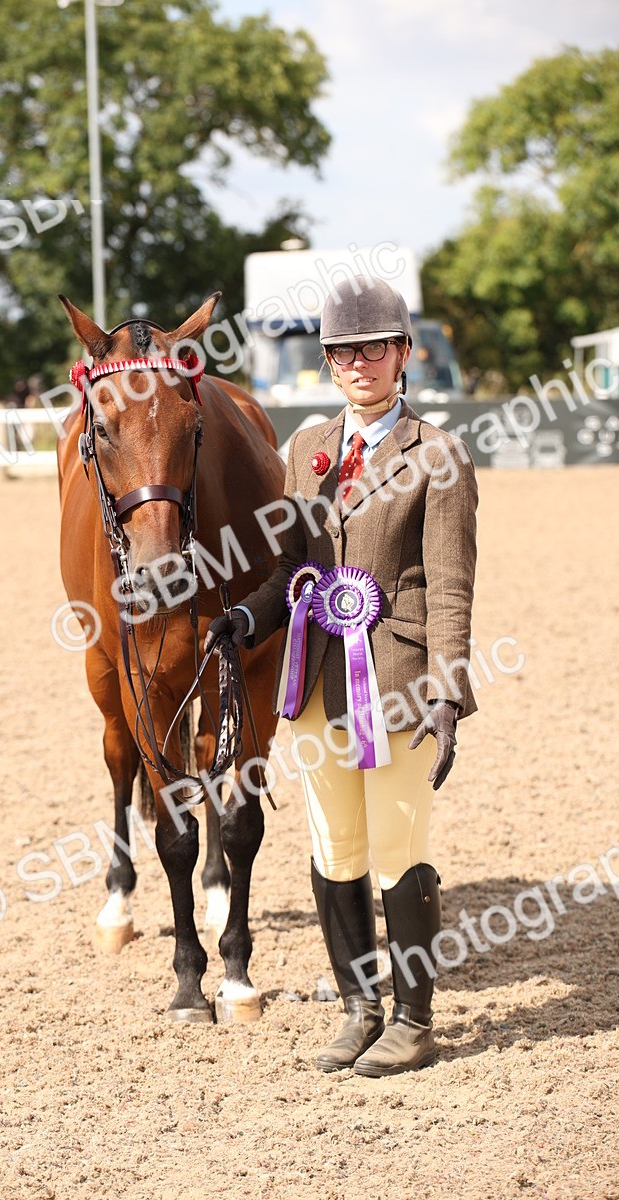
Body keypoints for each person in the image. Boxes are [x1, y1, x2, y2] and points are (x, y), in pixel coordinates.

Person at [205, 276, 478, 1077]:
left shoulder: (438, 455)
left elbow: (452, 586)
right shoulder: (306, 450)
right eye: (343, 351)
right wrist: (248, 617)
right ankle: (360, 1010)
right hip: (318, 682)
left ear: (404, 353)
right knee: (337, 846)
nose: (360, 363)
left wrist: (447, 689)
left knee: (398, 846)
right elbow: (291, 570)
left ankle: (414, 1021)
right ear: (328, 361)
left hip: (398, 679)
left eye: (375, 348)